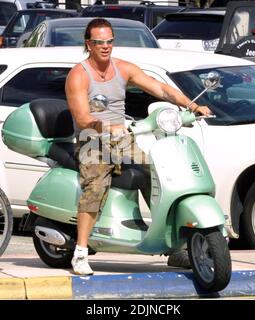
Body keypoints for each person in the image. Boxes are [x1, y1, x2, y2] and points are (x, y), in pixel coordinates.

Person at [65, 18, 212, 275]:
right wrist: (107, 127)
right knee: (96, 186)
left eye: (110, 41)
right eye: (99, 42)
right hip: (92, 140)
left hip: (123, 138)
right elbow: (82, 118)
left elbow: (161, 89)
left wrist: (192, 106)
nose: (106, 47)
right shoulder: (79, 75)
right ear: (88, 44)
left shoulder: (123, 68)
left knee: (157, 175)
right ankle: (80, 252)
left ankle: (174, 244)